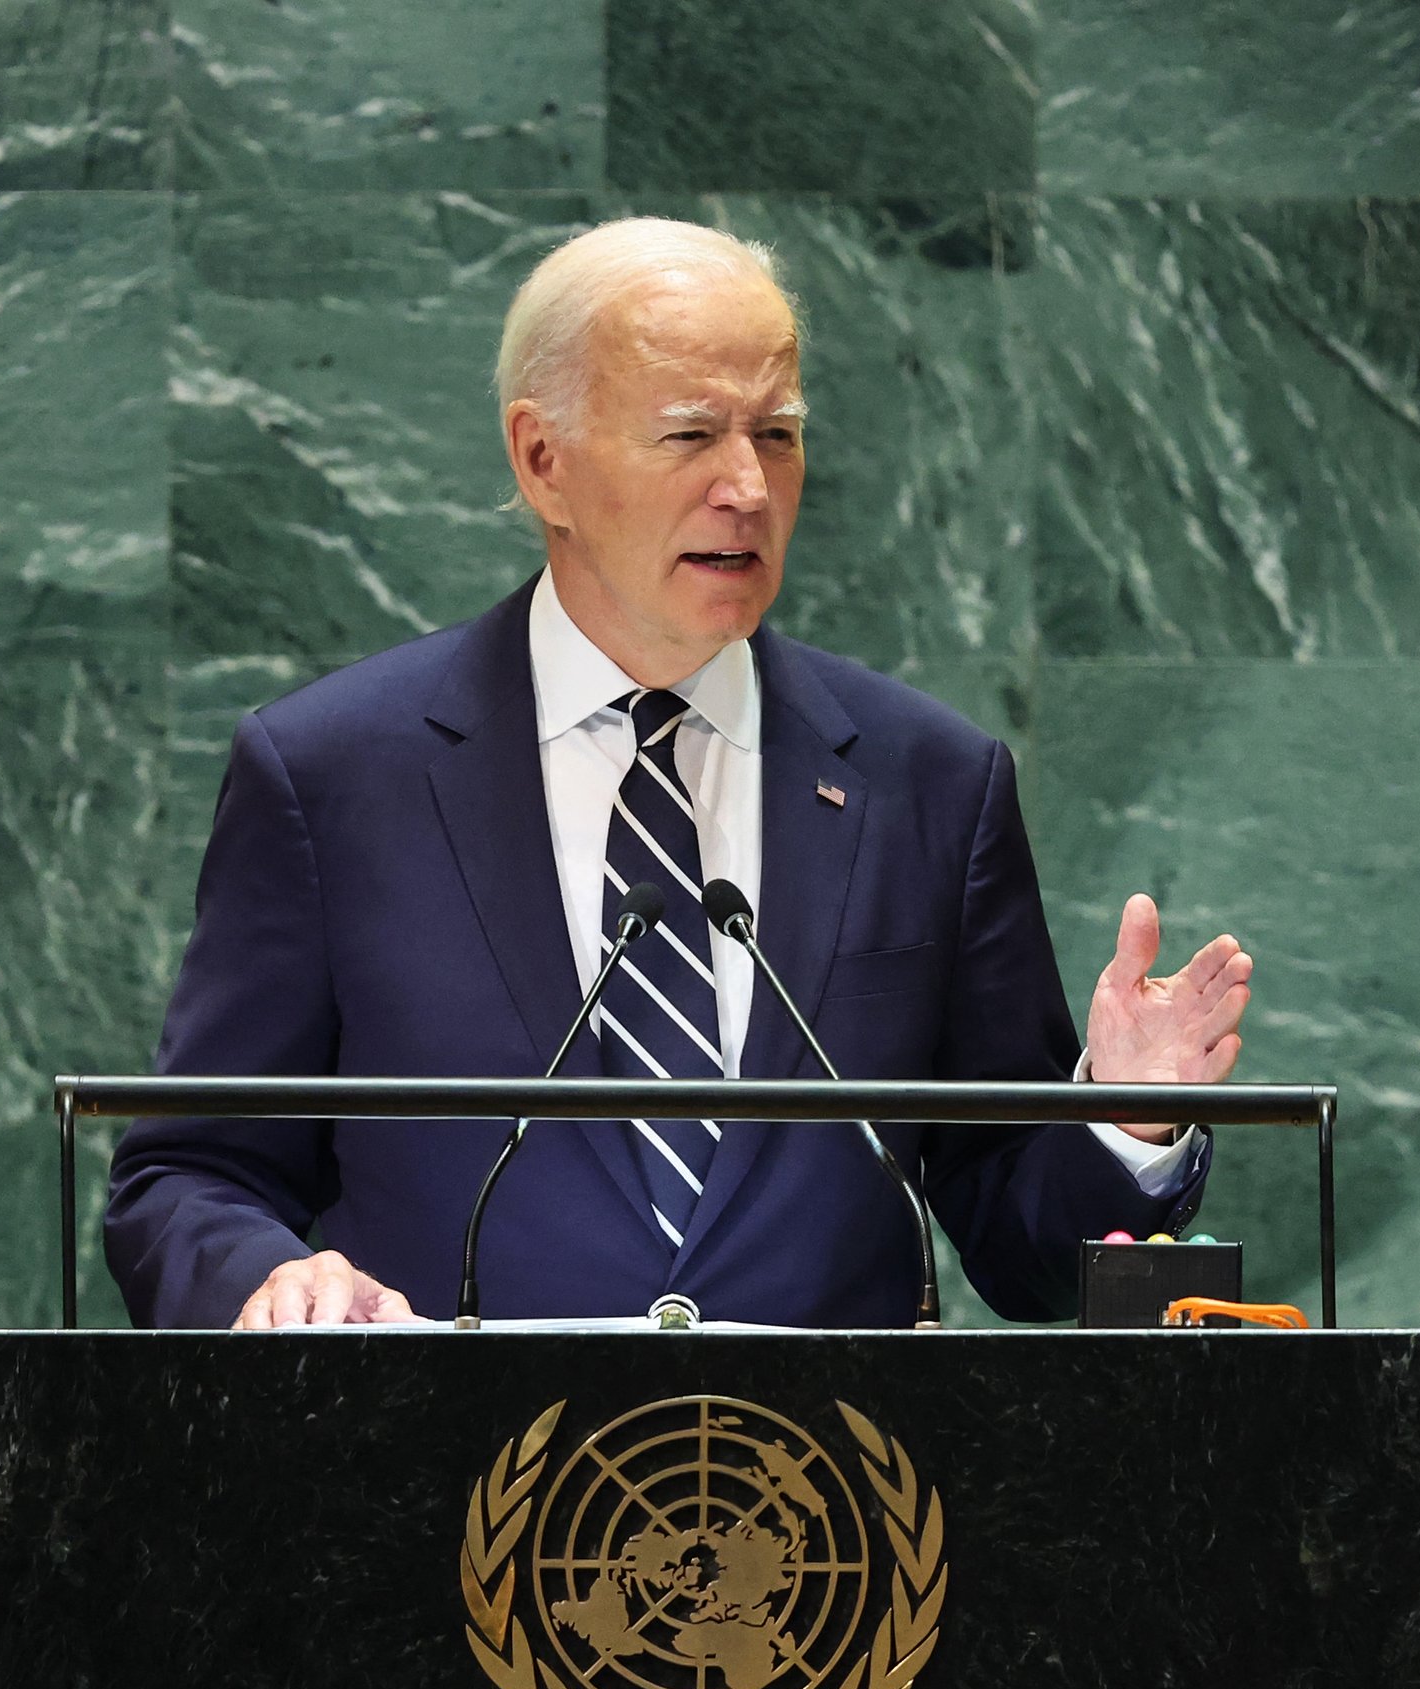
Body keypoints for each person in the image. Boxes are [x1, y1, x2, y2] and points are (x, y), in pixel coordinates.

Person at [107, 217, 1255, 1330]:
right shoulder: (332, 777)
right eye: (691, 434)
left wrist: (1121, 1121)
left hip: (831, 1510)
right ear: (541, 459)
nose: (749, 489)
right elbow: (186, 1175)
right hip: (440, 1499)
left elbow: (1020, 1242)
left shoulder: (931, 787)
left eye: (780, 434)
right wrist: (272, 1278)